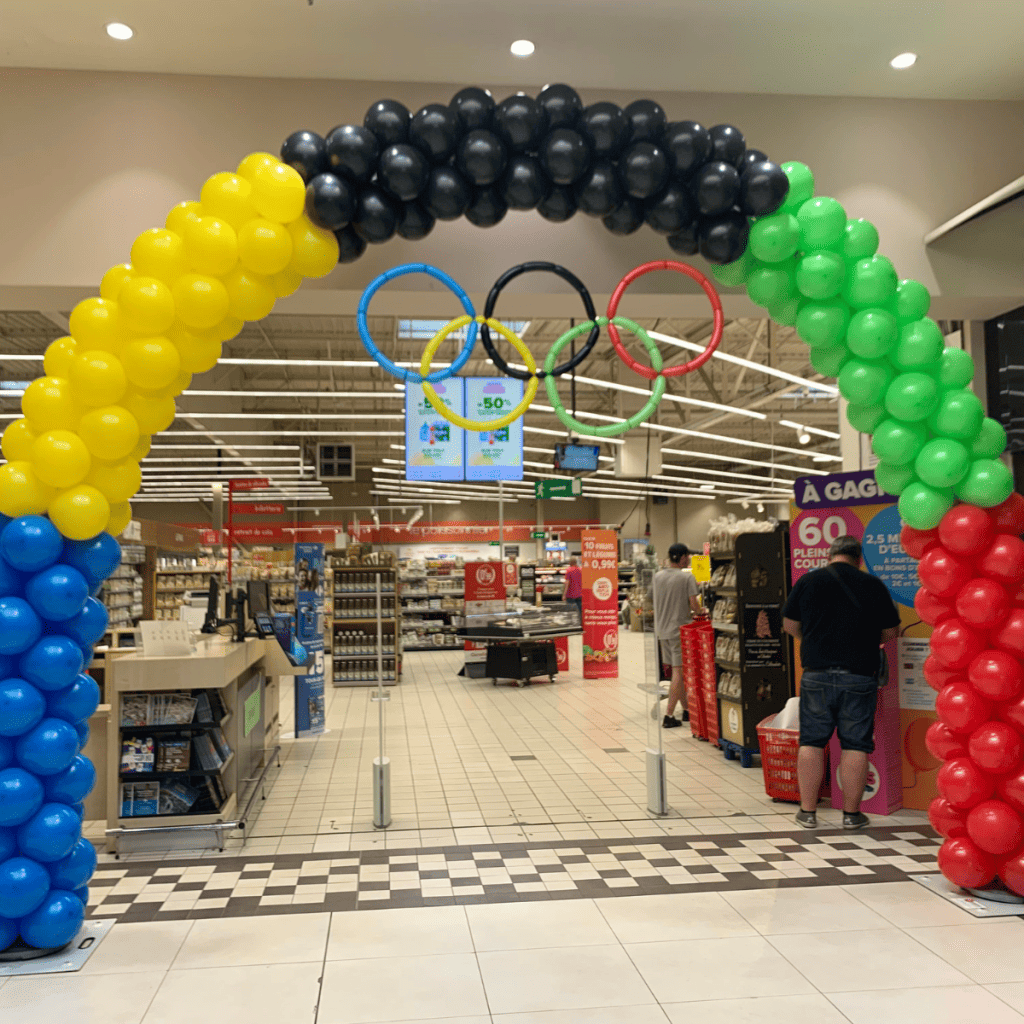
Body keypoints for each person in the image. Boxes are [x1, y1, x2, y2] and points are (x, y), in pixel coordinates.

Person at [782, 534, 900, 830]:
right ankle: (851, 815)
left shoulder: (808, 582)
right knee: (856, 745)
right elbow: (891, 630)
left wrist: (813, 640)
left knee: (810, 741)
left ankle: (807, 813)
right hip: (859, 677)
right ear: (858, 559)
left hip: (816, 675)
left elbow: (789, 624)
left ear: (830, 555)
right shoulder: (872, 585)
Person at [652, 543, 702, 728]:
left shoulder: (657, 577)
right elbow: (694, 604)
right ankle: (669, 715)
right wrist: (700, 610)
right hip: (679, 631)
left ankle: (687, 711)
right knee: (678, 673)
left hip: (662, 631)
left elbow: (652, 599)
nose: (688, 560)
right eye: (687, 557)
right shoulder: (686, 577)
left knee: (675, 673)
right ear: (681, 558)